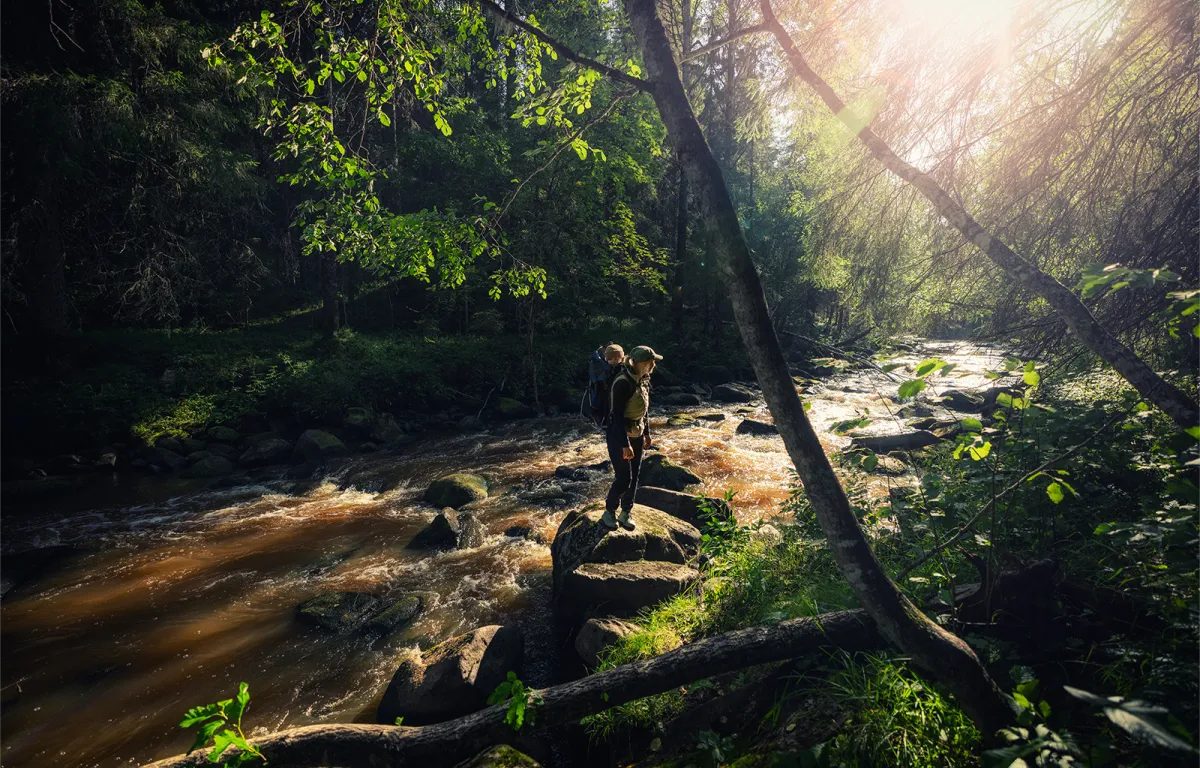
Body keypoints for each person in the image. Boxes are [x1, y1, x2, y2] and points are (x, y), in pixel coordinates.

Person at [602, 345, 663, 531]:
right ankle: (609, 512)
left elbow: (643, 409)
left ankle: (626, 512)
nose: (654, 364)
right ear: (641, 363)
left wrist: (647, 434)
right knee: (623, 479)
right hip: (619, 436)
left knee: (635, 476)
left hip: (637, 433)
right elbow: (617, 416)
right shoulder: (622, 382)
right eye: (651, 362)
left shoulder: (643, 379)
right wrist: (624, 444)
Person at [587, 343, 625, 427]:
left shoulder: (621, 371)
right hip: (610, 402)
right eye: (611, 359)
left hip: (617, 406)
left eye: (615, 359)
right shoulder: (609, 372)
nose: (613, 361)